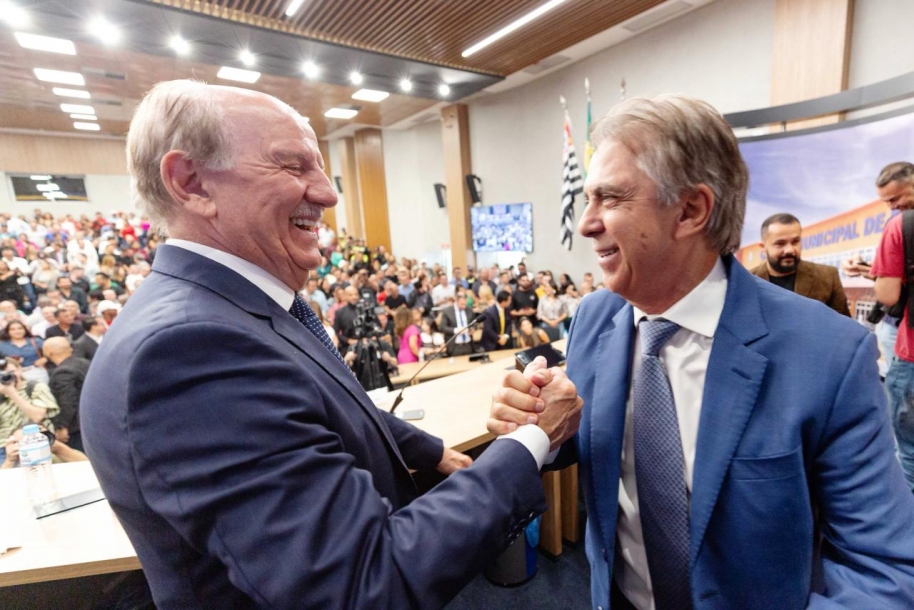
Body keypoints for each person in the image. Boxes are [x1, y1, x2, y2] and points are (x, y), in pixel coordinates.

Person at [80, 80, 581, 610]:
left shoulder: (234, 310)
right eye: (293, 165)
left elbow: (328, 402)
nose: (327, 193)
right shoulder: (189, 351)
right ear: (192, 183)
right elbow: (363, 585)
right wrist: (532, 440)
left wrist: (432, 451)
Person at [489, 95, 914, 608]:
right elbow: (591, 441)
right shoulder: (594, 317)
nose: (585, 223)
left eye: (610, 198)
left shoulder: (830, 353)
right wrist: (546, 427)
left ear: (691, 210)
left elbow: (883, 570)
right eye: (586, 200)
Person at [845, 162, 914, 359]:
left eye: (895, 198)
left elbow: (888, 295)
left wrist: (881, 278)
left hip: (904, 334)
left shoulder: (899, 225)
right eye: (887, 202)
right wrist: (870, 270)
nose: (892, 206)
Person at [750, 213, 850, 316]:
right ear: (763, 247)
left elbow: (843, 323)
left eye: (795, 242)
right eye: (780, 243)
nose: (789, 250)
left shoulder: (827, 277)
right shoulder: (747, 281)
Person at [42, 337, 89, 452]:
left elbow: (68, 401)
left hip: (76, 427)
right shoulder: (85, 363)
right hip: (91, 420)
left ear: (48, 352)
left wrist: (62, 426)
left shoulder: (62, 373)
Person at [0, 357, 58, 444]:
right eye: (2, 374)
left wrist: (12, 392)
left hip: (35, 440)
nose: (7, 376)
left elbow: (37, 417)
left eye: (11, 372)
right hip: (4, 444)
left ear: (20, 370)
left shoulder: (34, 387)